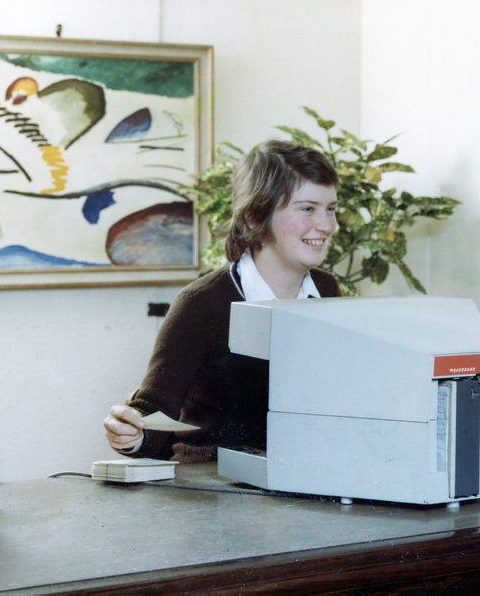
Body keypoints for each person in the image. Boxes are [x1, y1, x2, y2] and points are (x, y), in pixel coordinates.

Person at [102, 140, 341, 463]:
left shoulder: (328, 290)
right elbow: (152, 420)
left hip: (295, 482)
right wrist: (130, 434)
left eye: (331, 209)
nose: (326, 225)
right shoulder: (201, 304)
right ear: (255, 217)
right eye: (307, 208)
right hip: (212, 491)